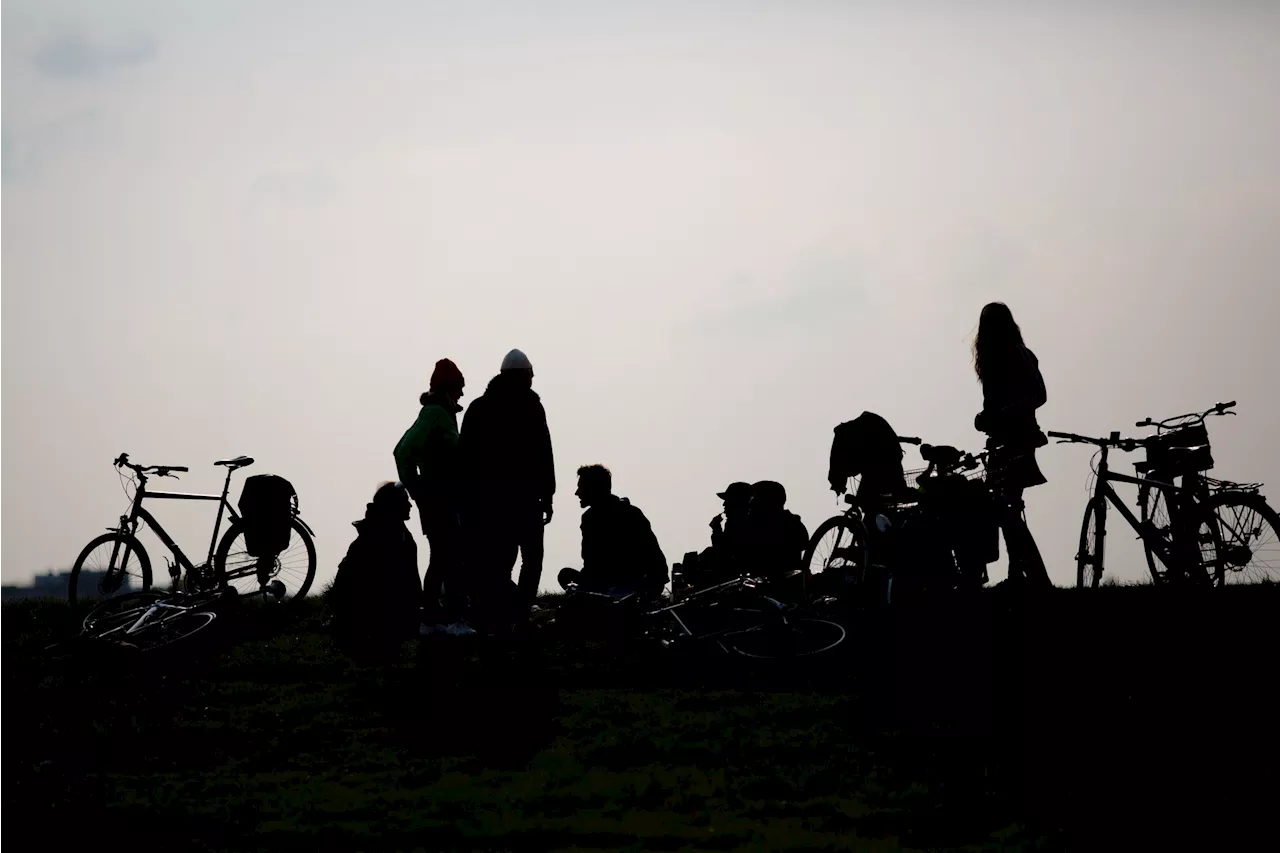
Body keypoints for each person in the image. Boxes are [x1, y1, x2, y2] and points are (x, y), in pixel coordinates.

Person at [459, 348, 556, 622]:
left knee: (499, 561)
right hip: (525, 500)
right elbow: (544, 453)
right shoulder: (532, 407)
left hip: (489, 502)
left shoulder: (479, 408)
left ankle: (499, 612)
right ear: (524, 375)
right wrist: (547, 495)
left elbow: (465, 459)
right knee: (531, 558)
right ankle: (521, 611)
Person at [972, 302, 1052, 589]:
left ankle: (1036, 578)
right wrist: (986, 418)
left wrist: (1000, 414)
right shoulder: (1001, 356)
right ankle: (1019, 576)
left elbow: (1038, 395)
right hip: (1004, 441)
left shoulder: (1016, 355)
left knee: (1006, 510)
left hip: (1016, 440)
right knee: (1007, 509)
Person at [393, 358, 472, 630]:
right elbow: (402, 452)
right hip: (439, 498)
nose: (462, 393)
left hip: (444, 496)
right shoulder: (435, 413)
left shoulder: (440, 412)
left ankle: (435, 617)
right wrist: (416, 489)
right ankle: (448, 617)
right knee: (447, 556)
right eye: (459, 388)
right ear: (449, 388)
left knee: (442, 556)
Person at [327, 482, 422, 662]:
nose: (410, 505)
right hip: (366, 619)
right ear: (393, 505)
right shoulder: (389, 537)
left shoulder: (381, 530)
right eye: (405, 501)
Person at [557, 464, 668, 599]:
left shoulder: (630, 514)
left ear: (593, 488)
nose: (577, 492)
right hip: (604, 581)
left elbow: (653, 556)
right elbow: (591, 562)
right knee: (566, 575)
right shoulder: (588, 518)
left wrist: (652, 586)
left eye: (581, 487)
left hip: (631, 582)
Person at [743, 480, 809, 584]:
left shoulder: (788, 524)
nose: (750, 504)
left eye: (755, 499)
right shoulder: (761, 524)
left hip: (781, 586)